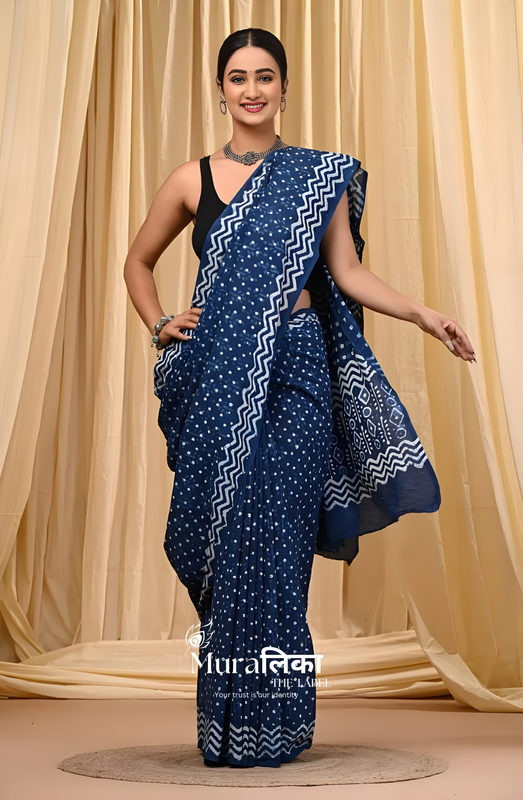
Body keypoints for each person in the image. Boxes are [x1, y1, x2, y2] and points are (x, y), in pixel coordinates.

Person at [123, 28, 475, 769]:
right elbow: (138, 261)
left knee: (278, 549)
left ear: (283, 87)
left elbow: (347, 274)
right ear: (220, 90)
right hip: (219, 371)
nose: (251, 89)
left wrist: (422, 313)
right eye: (237, 77)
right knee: (226, 542)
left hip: (298, 372)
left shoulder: (319, 176)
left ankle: (278, 724)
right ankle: (228, 727)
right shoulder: (191, 179)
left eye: (265, 76)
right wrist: (160, 323)